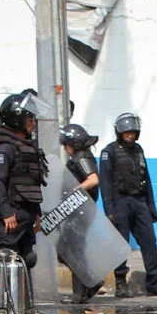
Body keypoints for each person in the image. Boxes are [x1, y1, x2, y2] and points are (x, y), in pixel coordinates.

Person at [100, 113, 157, 296]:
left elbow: (146, 178)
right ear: (119, 133)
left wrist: (151, 206)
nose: (130, 136)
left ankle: (154, 283)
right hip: (120, 202)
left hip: (139, 201)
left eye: (133, 133)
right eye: (126, 133)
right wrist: (109, 211)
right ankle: (121, 283)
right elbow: (105, 182)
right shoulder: (109, 152)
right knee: (120, 245)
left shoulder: (138, 150)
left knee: (149, 241)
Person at [0, 91, 49, 284]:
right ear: (16, 119)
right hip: (10, 216)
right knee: (6, 260)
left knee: (27, 259)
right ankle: (2, 306)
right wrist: (6, 212)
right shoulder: (4, 148)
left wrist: (36, 213)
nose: (33, 123)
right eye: (29, 118)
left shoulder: (27, 147)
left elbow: (32, 182)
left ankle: (23, 308)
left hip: (26, 214)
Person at [60, 123, 104, 304]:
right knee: (73, 251)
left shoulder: (81, 157)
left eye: (66, 145)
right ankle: (82, 290)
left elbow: (93, 179)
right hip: (79, 210)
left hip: (81, 211)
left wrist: (75, 190)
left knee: (69, 251)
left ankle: (87, 285)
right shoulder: (82, 156)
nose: (66, 149)